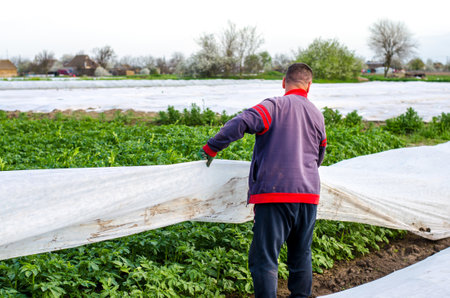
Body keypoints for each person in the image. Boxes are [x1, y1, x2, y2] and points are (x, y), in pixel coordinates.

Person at [199, 63, 327, 297]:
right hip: (308, 195)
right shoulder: (317, 115)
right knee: (301, 256)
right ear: (309, 86)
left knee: (266, 258)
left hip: (275, 194)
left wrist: (212, 147)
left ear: (283, 82)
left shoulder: (274, 106)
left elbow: (241, 122)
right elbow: (320, 154)